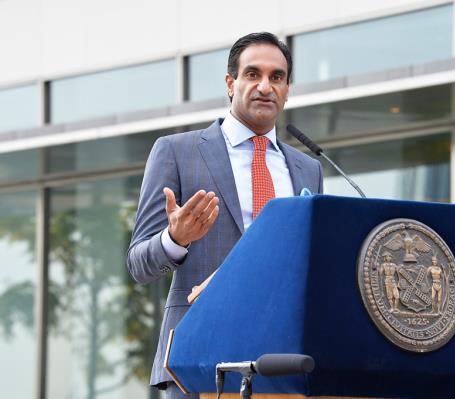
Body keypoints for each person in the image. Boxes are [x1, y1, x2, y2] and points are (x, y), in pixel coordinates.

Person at [127, 32, 323, 399]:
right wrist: (175, 239)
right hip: (198, 360)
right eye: (253, 74)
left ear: (287, 89)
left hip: (284, 360)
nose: (265, 86)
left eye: (276, 77)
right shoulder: (177, 152)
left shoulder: (308, 169)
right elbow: (139, 264)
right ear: (231, 83)